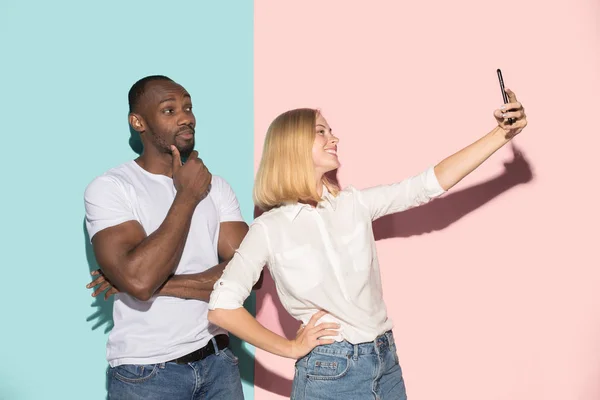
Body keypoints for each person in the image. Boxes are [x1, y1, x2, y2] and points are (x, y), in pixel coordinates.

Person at [207, 89, 528, 399]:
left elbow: (427, 185)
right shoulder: (269, 228)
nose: (334, 138)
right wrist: (289, 347)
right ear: (293, 145)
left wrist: (500, 135)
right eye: (321, 132)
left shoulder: (354, 203)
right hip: (329, 372)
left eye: (330, 130)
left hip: (384, 358)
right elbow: (222, 306)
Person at [84, 75, 261, 399]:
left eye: (188, 107)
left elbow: (253, 273)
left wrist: (156, 285)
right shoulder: (112, 188)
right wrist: (187, 195)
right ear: (138, 122)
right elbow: (140, 280)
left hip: (219, 363)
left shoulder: (217, 186)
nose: (185, 117)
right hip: (147, 373)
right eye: (169, 110)